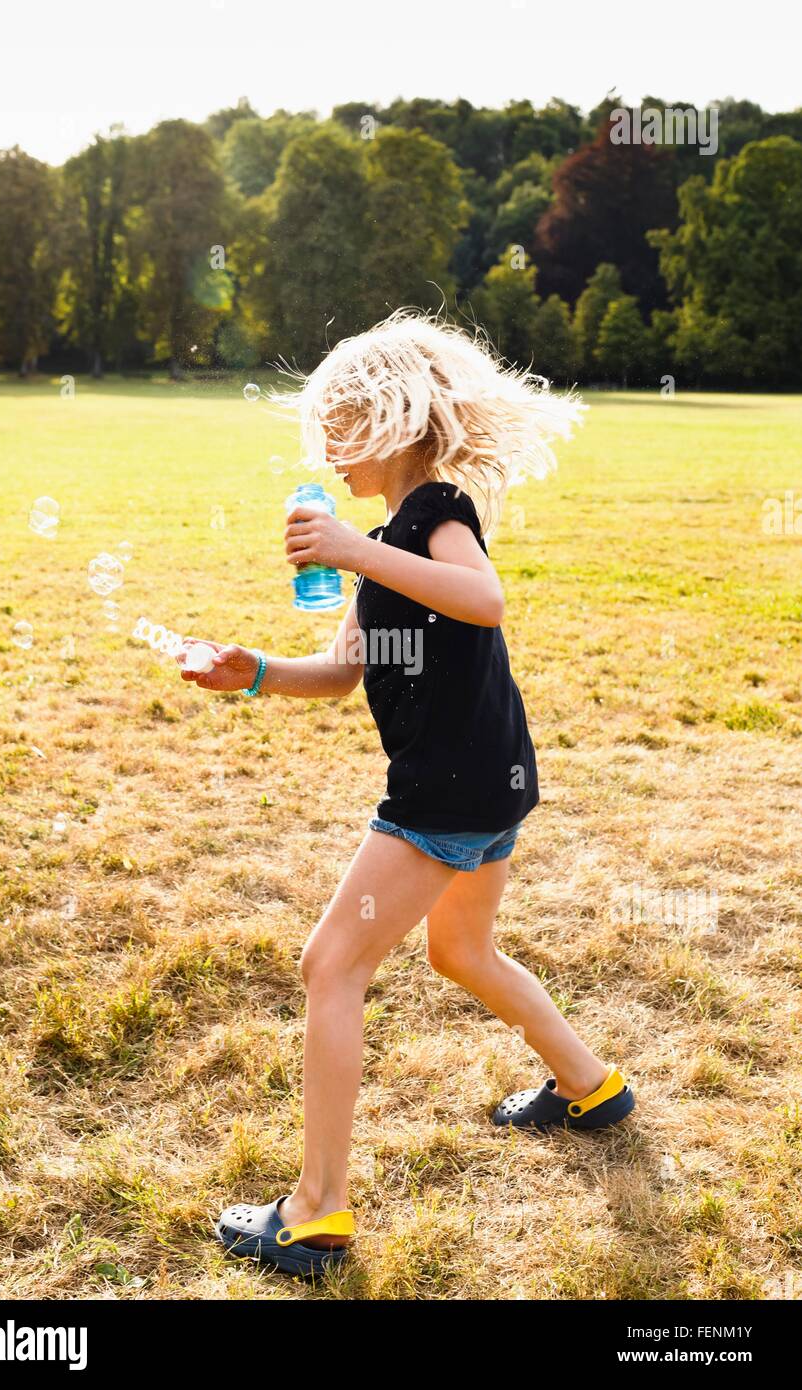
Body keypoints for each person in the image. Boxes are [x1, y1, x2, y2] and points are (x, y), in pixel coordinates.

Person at [178, 310, 635, 1279]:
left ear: (390, 420)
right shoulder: (391, 535)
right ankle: (589, 1086)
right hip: (493, 778)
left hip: (445, 792)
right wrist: (251, 669)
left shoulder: (434, 510)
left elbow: (482, 598)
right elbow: (343, 671)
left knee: (328, 965)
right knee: (462, 949)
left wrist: (352, 548)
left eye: (338, 427)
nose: (324, 451)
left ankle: (314, 1210)